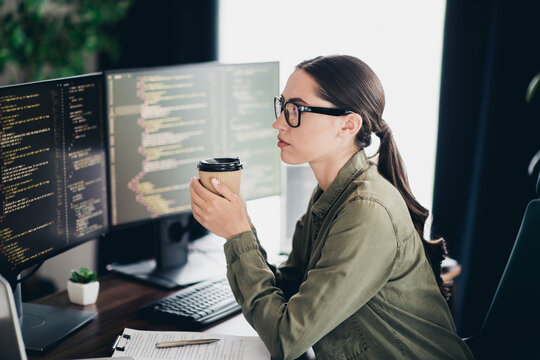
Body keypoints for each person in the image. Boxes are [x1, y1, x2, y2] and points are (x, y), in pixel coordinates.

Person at [190, 55, 474, 360]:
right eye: (282, 106)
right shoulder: (331, 193)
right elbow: (290, 291)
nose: (278, 122)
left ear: (348, 124)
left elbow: (285, 339)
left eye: (295, 110)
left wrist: (238, 235)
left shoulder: (366, 210)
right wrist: (239, 225)